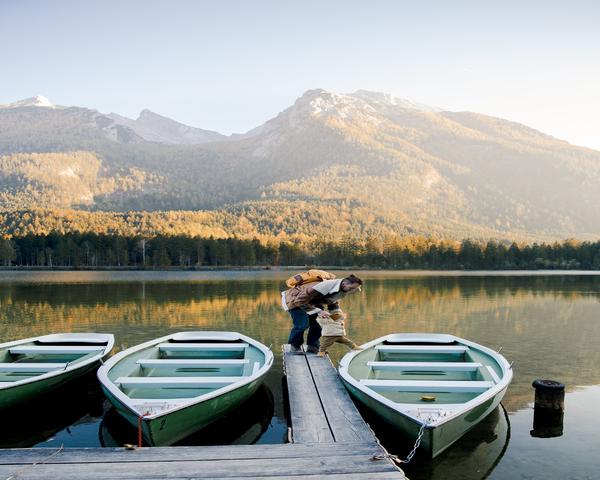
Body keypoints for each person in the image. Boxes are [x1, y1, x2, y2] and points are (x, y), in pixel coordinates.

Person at [281, 274, 363, 354]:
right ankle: (294, 347)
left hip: (312, 302)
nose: (352, 290)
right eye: (352, 288)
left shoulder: (342, 290)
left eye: (354, 289)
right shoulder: (325, 285)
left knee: (318, 324)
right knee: (302, 324)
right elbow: (299, 301)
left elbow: (333, 303)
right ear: (345, 283)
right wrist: (319, 311)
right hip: (294, 300)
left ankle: (313, 347)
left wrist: (337, 316)